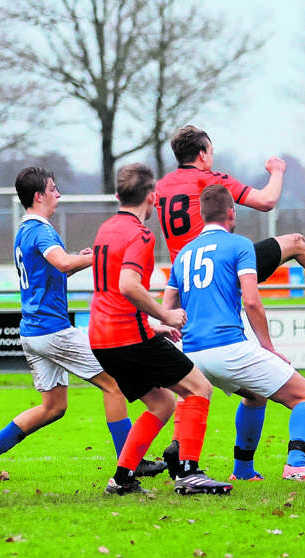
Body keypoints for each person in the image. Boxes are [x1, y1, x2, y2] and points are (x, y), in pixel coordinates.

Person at [156, 125, 305, 471]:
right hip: (220, 264)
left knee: (230, 389)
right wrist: (277, 172)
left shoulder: (162, 187)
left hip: (188, 274)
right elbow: (266, 202)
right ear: (204, 154)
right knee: (296, 242)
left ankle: (202, 454)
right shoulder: (210, 179)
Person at [0, 167, 165, 482]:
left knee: (53, 407)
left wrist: (79, 259)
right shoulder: (41, 230)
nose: (58, 194)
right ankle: (132, 461)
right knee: (113, 382)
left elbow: (58, 269)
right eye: (53, 189)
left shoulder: (25, 231)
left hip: (33, 331)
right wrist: (98, 255)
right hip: (51, 330)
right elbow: (62, 262)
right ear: (38, 196)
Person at [162, 184, 305, 481]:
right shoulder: (238, 245)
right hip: (228, 347)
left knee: (255, 396)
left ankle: (243, 470)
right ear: (231, 213)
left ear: (202, 216)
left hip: (191, 355)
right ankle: (297, 464)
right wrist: (267, 347)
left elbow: (167, 311)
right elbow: (252, 301)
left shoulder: (183, 254)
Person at [89, 163, 231, 496]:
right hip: (127, 337)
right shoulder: (140, 234)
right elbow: (127, 286)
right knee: (199, 388)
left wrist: (153, 323)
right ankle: (189, 474)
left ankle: (122, 479)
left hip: (101, 338)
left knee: (162, 404)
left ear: (117, 195)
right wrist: (165, 317)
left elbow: (112, 293)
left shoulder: (105, 228)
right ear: (152, 197)